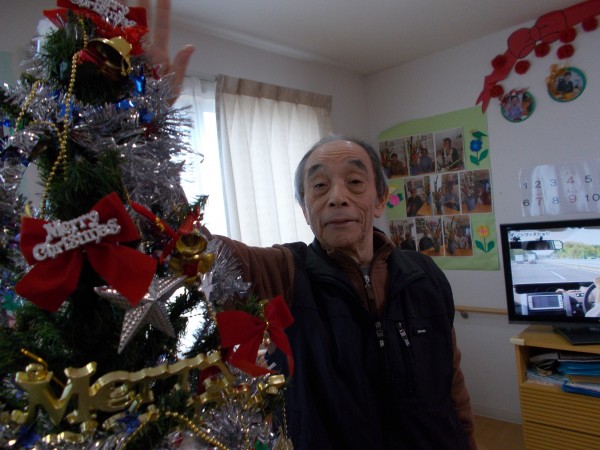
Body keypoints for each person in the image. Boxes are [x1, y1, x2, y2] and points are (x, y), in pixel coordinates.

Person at [141, 3, 476, 449]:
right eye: (319, 186)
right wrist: (148, 129)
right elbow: (189, 246)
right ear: (305, 209)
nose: (337, 196)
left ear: (380, 200)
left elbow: (452, 384)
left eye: (354, 181)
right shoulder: (284, 273)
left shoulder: (424, 274)